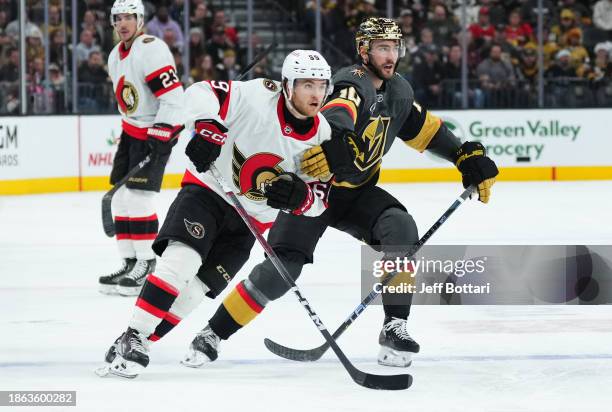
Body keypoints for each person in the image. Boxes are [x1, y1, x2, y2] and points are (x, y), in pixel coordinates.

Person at [184, 17, 499, 369]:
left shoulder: (399, 92)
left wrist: (463, 156)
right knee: (280, 272)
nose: (390, 54)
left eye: (394, 47)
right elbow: (338, 111)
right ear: (364, 51)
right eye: (382, 47)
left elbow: (427, 131)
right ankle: (213, 332)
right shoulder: (352, 82)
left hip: (357, 194)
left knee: (401, 230)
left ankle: (395, 326)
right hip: (313, 191)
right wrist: (338, 141)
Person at [101, 49, 335, 378]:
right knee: (182, 261)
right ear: (287, 85)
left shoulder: (322, 135)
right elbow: (200, 92)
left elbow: (321, 198)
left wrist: (302, 198)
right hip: (209, 191)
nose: (315, 93)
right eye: (307, 84)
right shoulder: (258, 95)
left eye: (321, 85)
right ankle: (133, 335)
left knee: (196, 290)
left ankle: (139, 341)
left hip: (250, 222)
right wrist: (208, 125)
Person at [97, 0, 184, 296]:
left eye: (128, 18)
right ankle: (130, 260)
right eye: (117, 18)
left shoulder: (151, 48)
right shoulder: (114, 56)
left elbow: (173, 96)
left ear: (140, 20)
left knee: (138, 198)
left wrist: (163, 130)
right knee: (121, 198)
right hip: (130, 132)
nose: (123, 23)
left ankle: (147, 264)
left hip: (153, 133)